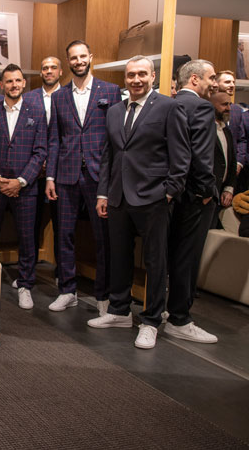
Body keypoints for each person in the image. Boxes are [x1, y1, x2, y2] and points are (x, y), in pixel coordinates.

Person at [89, 56, 189, 349]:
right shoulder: (114, 111)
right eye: (131, 75)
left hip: (154, 197)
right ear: (125, 78)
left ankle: (151, 321)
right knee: (119, 255)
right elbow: (109, 155)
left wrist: (169, 192)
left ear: (153, 76)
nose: (136, 80)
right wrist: (103, 193)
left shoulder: (169, 107)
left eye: (142, 74)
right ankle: (119, 311)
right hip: (118, 196)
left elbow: (181, 155)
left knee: (156, 261)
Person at [46, 40, 121, 315]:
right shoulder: (59, 96)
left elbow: (116, 138)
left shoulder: (110, 91)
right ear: (68, 62)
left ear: (91, 57)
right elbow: (54, 139)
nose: (78, 61)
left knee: (103, 238)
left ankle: (104, 296)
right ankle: (68, 291)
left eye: (82, 56)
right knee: (64, 235)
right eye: (73, 58)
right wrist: (50, 176)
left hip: (98, 176)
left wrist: (112, 177)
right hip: (66, 175)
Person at [0, 64, 47, 310]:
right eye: (9, 81)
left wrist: (21, 181)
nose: (14, 85)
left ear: (24, 83)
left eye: (18, 80)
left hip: (25, 188)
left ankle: (25, 285)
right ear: (1, 85)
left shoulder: (36, 112)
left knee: (27, 239)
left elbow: (40, 151)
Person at [166, 59, 219, 344]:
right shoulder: (200, 107)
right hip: (193, 197)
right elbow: (200, 155)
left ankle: (170, 311)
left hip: (170, 196)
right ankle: (180, 318)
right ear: (195, 79)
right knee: (187, 257)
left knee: (174, 255)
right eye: (212, 78)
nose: (215, 83)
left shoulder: (168, 104)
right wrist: (206, 191)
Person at [24, 57, 61, 279]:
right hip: (33, 171)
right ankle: (29, 270)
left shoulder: (67, 95)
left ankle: (60, 271)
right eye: (45, 68)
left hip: (60, 170)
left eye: (53, 68)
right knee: (32, 222)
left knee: (61, 223)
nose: (48, 71)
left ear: (60, 71)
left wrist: (51, 163)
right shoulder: (29, 97)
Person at [216, 70, 247, 190]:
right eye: (227, 82)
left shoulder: (237, 110)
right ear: (216, 84)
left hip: (233, 173)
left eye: (233, 82)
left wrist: (239, 162)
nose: (232, 85)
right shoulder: (209, 108)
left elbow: (242, 139)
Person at [210, 90, 236, 227]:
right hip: (205, 194)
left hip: (220, 194)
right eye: (224, 104)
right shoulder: (206, 129)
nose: (229, 108)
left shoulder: (226, 129)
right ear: (212, 105)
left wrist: (228, 188)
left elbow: (232, 161)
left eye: (229, 104)